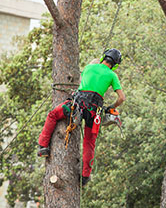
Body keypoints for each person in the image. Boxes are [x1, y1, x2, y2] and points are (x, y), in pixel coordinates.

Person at [37, 48, 126, 186]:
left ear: (103, 58)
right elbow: (122, 98)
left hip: (76, 104)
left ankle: (43, 146)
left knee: (53, 115)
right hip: (94, 111)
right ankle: (85, 176)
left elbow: (92, 64)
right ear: (115, 64)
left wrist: (97, 62)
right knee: (89, 142)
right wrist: (111, 108)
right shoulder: (112, 75)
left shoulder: (90, 67)